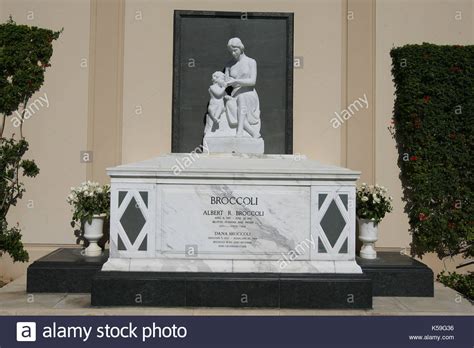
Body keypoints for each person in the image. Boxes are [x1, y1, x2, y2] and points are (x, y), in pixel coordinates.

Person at [224, 38, 261, 138]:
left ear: (241, 48)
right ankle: (253, 132)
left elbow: (252, 81)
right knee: (230, 103)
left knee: (242, 98)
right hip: (235, 94)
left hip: (249, 93)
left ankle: (239, 131)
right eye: (231, 51)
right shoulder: (229, 65)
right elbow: (226, 82)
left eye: (235, 50)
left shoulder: (251, 62)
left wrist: (236, 81)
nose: (233, 53)